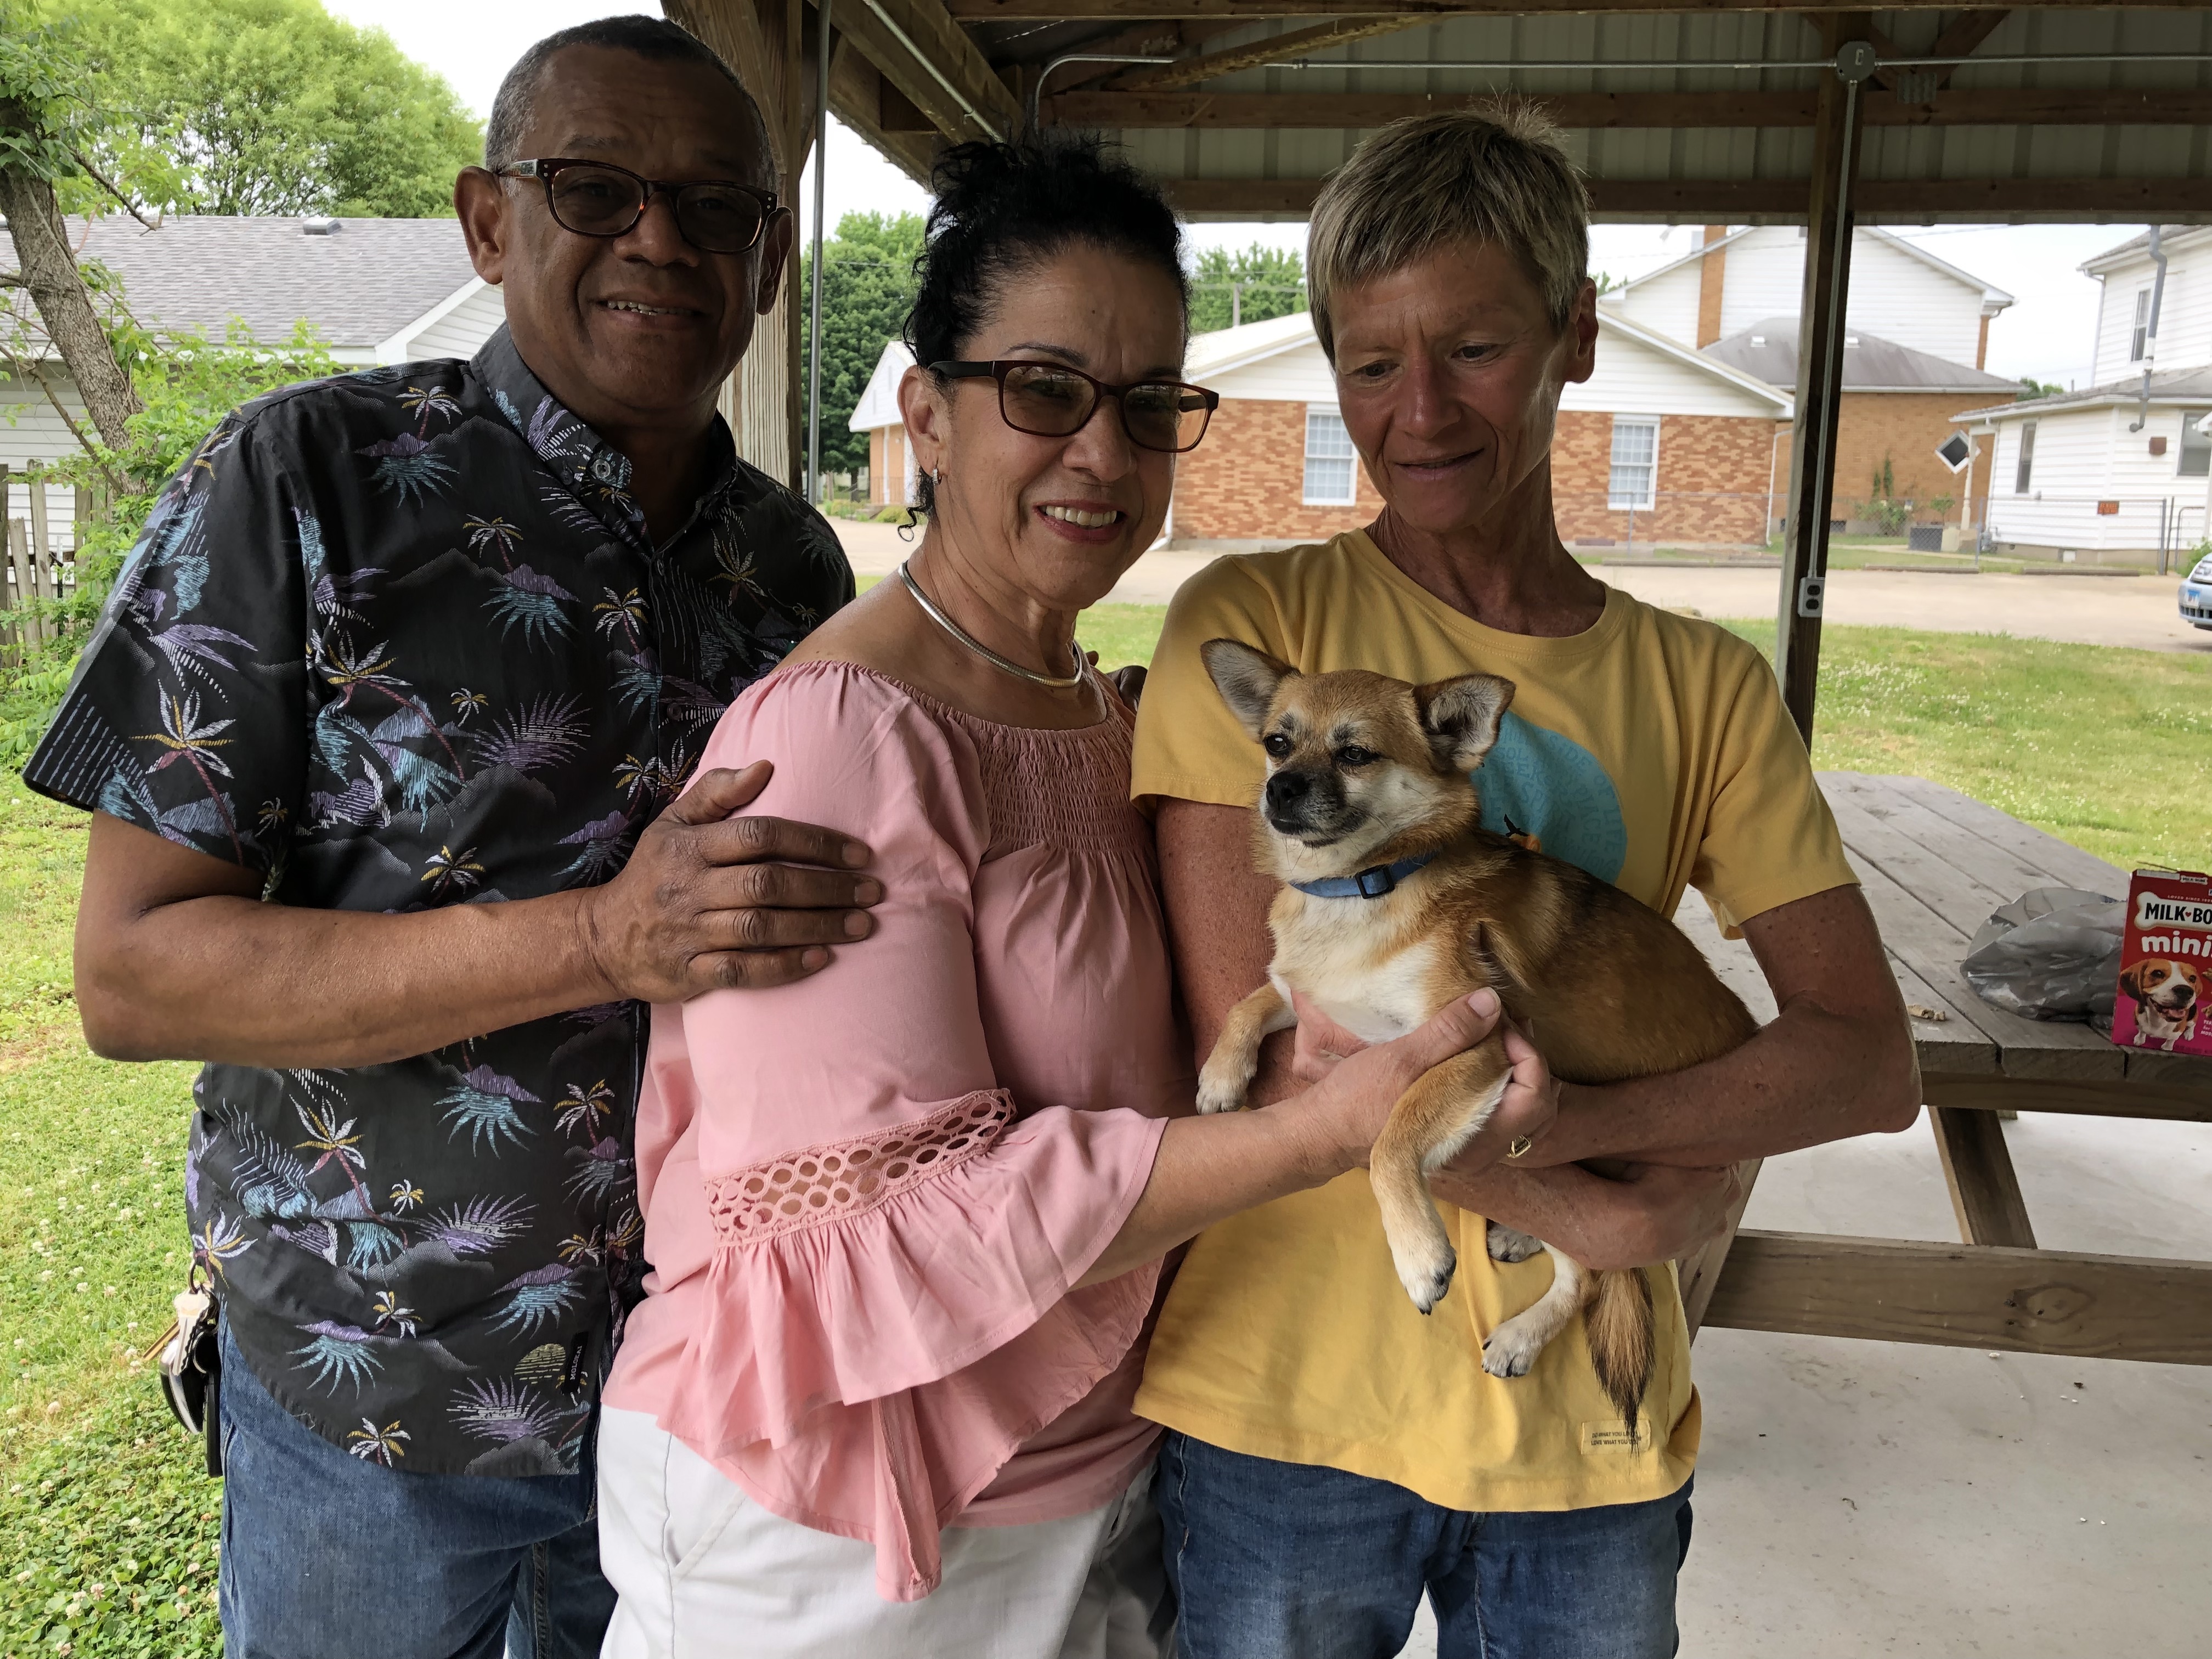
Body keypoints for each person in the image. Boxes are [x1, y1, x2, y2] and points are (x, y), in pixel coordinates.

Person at [591, 134, 1528, 1658]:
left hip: (1100, 1479)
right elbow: (904, 1214)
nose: (1102, 452)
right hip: (850, 1513)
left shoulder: (1106, 714)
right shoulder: (839, 740)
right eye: (1043, 391)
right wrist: (1327, 1134)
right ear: (928, 417)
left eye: (1150, 404)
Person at [27, 18, 885, 1659]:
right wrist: (600, 937)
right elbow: (133, 978)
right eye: (594, 188)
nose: (659, 237)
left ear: (772, 260)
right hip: (380, 1390)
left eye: (716, 207)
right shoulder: (305, 479)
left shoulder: (793, 574)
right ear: (490, 222)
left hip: (692, 1393)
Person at [1129, 105, 1923, 1659]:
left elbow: (1865, 1059)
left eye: (1474, 349)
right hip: (1284, 1406)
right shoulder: (1258, 625)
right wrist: (1604, 1209)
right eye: (1369, 362)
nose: (1416, 410)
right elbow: (1298, 1055)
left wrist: (1606, 1139)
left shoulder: (1703, 688)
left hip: (1586, 1451)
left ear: (1574, 336)